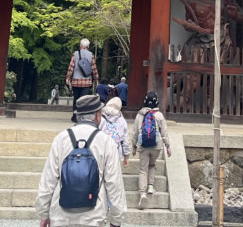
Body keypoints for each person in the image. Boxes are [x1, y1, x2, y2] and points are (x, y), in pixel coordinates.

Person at [35, 94, 126, 227]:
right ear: (98, 116)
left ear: (78, 115)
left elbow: (48, 180)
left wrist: (43, 213)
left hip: (61, 216)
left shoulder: (61, 139)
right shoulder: (106, 141)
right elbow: (114, 183)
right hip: (93, 217)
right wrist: (116, 219)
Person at [173, 0, 243, 57]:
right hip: (202, 38)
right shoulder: (192, 3)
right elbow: (188, 25)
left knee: (222, 59)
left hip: (221, 38)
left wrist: (235, 15)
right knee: (197, 59)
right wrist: (190, 26)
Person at [133, 91, 171, 209]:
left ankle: (142, 193)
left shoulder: (140, 115)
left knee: (143, 169)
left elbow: (135, 132)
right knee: (152, 165)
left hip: (143, 145)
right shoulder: (159, 115)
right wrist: (168, 146)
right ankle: (150, 186)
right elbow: (164, 132)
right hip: (156, 145)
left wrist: (134, 146)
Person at [65, 38, 99, 123]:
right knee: (84, 100)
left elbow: (71, 67)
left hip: (75, 81)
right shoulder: (91, 55)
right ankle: (82, 117)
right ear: (88, 46)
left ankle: (75, 116)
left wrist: (68, 78)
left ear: (80, 45)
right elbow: (94, 69)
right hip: (86, 82)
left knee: (76, 99)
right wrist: (96, 79)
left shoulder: (75, 54)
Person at [99, 96, 131, 166]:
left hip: (102, 149)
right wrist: (126, 156)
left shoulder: (100, 117)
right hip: (116, 151)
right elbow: (125, 140)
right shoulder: (121, 120)